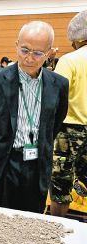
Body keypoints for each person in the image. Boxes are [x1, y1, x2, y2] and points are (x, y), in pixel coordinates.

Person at [0, 21, 68, 213]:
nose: (29, 58)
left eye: (37, 53)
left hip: (38, 166)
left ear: (49, 53)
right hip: (5, 163)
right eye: (25, 50)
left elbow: (55, 123)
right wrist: (2, 144)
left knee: (33, 221)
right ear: (16, 45)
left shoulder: (59, 85)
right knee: (1, 220)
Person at [50, 10, 87, 217]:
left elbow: (54, 97)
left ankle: (58, 229)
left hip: (69, 132)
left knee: (60, 187)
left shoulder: (69, 60)